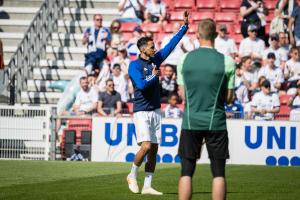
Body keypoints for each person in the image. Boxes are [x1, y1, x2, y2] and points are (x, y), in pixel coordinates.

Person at [126, 11, 189, 196]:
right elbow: (141, 85)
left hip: (155, 111)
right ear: (143, 49)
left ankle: (147, 186)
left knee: (153, 150)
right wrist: (154, 76)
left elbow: (170, 46)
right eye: (151, 47)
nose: (154, 49)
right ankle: (131, 175)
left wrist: (184, 28)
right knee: (145, 146)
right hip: (141, 111)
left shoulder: (155, 60)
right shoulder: (134, 66)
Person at [177, 19, 235, 200]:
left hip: (190, 121)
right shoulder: (227, 61)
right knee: (218, 173)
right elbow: (229, 98)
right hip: (216, 122)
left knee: (186, 171)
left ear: (197, 35)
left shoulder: (184, 59)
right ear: (216, 35)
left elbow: (182, 95)